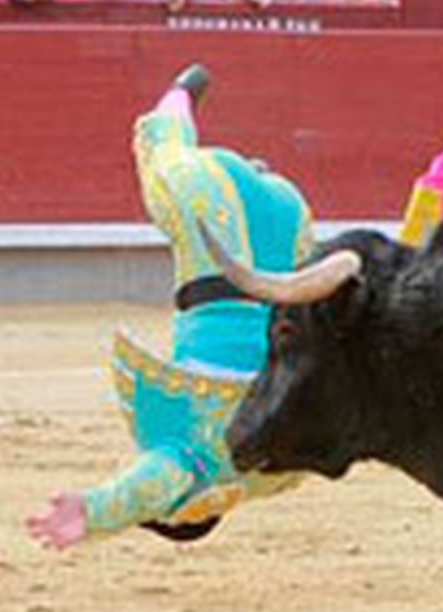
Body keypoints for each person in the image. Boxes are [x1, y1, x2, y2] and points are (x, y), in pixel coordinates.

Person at [26, 64, 313, 550]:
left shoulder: (275, 468)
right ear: (182, 510)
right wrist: (95, 513)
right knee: (159, 148)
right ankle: (180, 93)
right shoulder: (189, 453)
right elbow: (150, 487)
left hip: (292, 220)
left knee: (257, 224)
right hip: (206, 215)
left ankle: (257, 178)